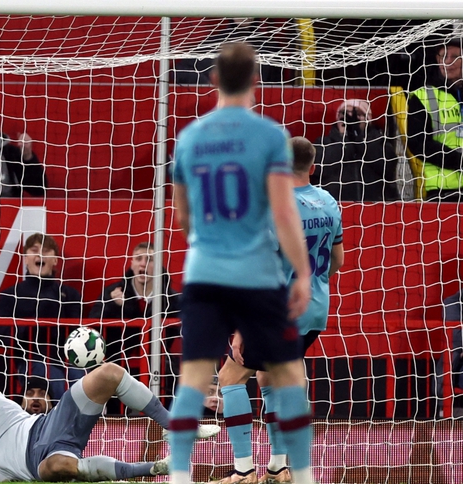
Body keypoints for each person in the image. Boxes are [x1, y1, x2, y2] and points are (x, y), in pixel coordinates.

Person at [167, 42, 314, 484]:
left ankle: (178, 476)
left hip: (205, 271)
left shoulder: (189, 138)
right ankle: (299, 473)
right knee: (288, 375)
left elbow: (181, 215)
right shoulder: (269, 135)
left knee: (193, 377)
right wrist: (302, 271)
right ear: (256, 81)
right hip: (257, 275)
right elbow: (285, 212)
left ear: (212, 80)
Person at [211, 137, 344, 484]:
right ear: (313, 167)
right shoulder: (328, 201)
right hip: (314, 310)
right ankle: (278, 466)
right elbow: (337, 261)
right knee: (271, 378)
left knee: (230, 376)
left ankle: (243, 470)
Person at [0, 363, 221, 482]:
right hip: (38, 465)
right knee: (62, 466)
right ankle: (157, 468)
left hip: (48, 426)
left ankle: (172, 425)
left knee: (109, 374)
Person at [0, 233, 84, 398]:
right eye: (34, 250)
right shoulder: (11, 294)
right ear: (26, 259)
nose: (40, 254)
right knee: (53, 378)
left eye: (46, 251)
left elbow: (77, 333)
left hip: (66, 360)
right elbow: (1, 333)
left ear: (55, 260)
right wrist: (30, 329)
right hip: (29, 360)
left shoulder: (70, 295)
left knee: (83, 379)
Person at [88, 242, 181, 398]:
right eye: (139, 258)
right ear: (131, 264)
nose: (143, 263)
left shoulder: (171, 298)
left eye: (150, 259)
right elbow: (92, 323)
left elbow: (172, 332)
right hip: (117, 356)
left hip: (158, 358)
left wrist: (128, 309)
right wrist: (113, 306)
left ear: (159, 265)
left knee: (173, 372)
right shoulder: (113, 292)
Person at [407, 38, 463, 201]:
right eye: (443, 56)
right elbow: (419, 143)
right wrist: (459, 161)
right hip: (443, 190)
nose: (448, 62)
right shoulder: (424, 95)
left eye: (454, 57)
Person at [313, 99, 399, 202]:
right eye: (344, 113)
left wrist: (359, 138)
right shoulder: (322, 142)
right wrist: (347, 142)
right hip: (332, 206)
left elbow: (387, 167)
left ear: (368, 119)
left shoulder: (380, 141)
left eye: (357, 114)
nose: (348, 118)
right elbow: (320, 168)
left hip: (376, 207)